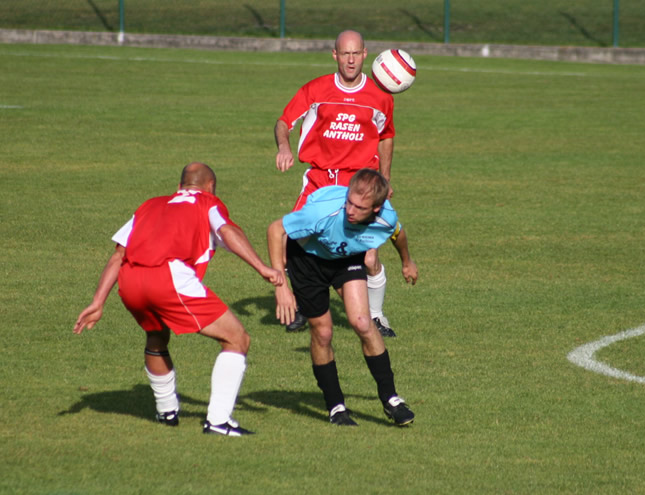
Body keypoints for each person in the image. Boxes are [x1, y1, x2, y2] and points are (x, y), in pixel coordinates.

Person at [73, 162, 284, 437]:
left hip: (131, 281)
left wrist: (98, 302)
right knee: (237, 338)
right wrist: (262, 267)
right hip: (168, 278)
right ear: (210, 187)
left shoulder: (149, 205)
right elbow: (228, 232)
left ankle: (167, 411)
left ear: (179, 187)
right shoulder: (208, 202)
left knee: (156, 335)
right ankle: (218, 421)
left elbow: (118, 255)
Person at [267, 168, 418, 426]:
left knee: (362, 322)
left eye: (360, 207)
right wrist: (281, 285)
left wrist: (407, 261)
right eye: (349, 201)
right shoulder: (323, 212)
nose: (350, 210)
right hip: (306, 260)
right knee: (323, 332)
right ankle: (336, 406)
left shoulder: (387, 218)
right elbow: (275, 230)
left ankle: (391, 399)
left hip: (346, 258)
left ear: (377, 209)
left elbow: (398, 234)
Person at [274, 29, 398, 336]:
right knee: (295, 243)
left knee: (369, 255)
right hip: (319, 180)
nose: (351, 60)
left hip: (359, 184)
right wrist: (284, 147)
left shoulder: (380, 97)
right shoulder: (316, 90)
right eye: (345, 54)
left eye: (356, 53)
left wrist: (384, 179)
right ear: (335, 56)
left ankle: (377, 317)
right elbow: (283, 122)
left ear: (365, 54)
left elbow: (386, 137)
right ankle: (305, 306)